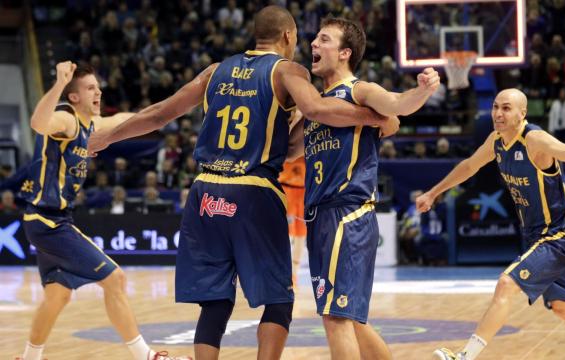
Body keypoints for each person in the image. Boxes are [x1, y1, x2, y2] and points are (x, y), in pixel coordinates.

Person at [87, 6, 396, 360]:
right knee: (279, 301)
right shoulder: (288, 70)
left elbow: (160, 114)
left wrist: (108, 137)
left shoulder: (215, 71)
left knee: (215, 301)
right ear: (287, 37)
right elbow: (317, 109)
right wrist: (373, 117)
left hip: (203, 192)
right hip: (252, 191)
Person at [415, 89, 565, 360]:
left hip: (559, 235)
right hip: (536, 235)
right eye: (496, 107)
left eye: (506, 108)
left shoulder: (534, 139)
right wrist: (433, 192)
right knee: (562, 306)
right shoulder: (496, 140)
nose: (498, 113)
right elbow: (469, 166)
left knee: (506, 284)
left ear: (522, 113)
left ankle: (464, 356)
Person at [287, 17, 439, 360]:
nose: (313, 44)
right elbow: (287, 150)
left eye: (323, 40)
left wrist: (423, 90)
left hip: (348, 212)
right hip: (321, 217)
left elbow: (398, 106)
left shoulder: (359, 91)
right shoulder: (316, 106)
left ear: (345, 52)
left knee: (335, 317)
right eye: (315, 39)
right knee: (350, 319)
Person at [16, 62, 190, 360]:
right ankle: (146, 356)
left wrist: (186, 101)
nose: (98, 91)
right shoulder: (66, 119)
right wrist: (59, 83)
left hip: (50, 220)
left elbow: (133, 117)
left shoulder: (89, 125)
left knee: (58, 295)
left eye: (98, 86)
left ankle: (30, 358)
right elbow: (38, 123)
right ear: (74, 97)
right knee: (115, 279)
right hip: (48, 221)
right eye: (90, 88)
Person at [278, 153, 306, 289]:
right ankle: (283, 273)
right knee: (286, 235)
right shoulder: (288, 137)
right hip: (286, 190)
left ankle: (294, 274)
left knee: (301, 236)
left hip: (304, 193)